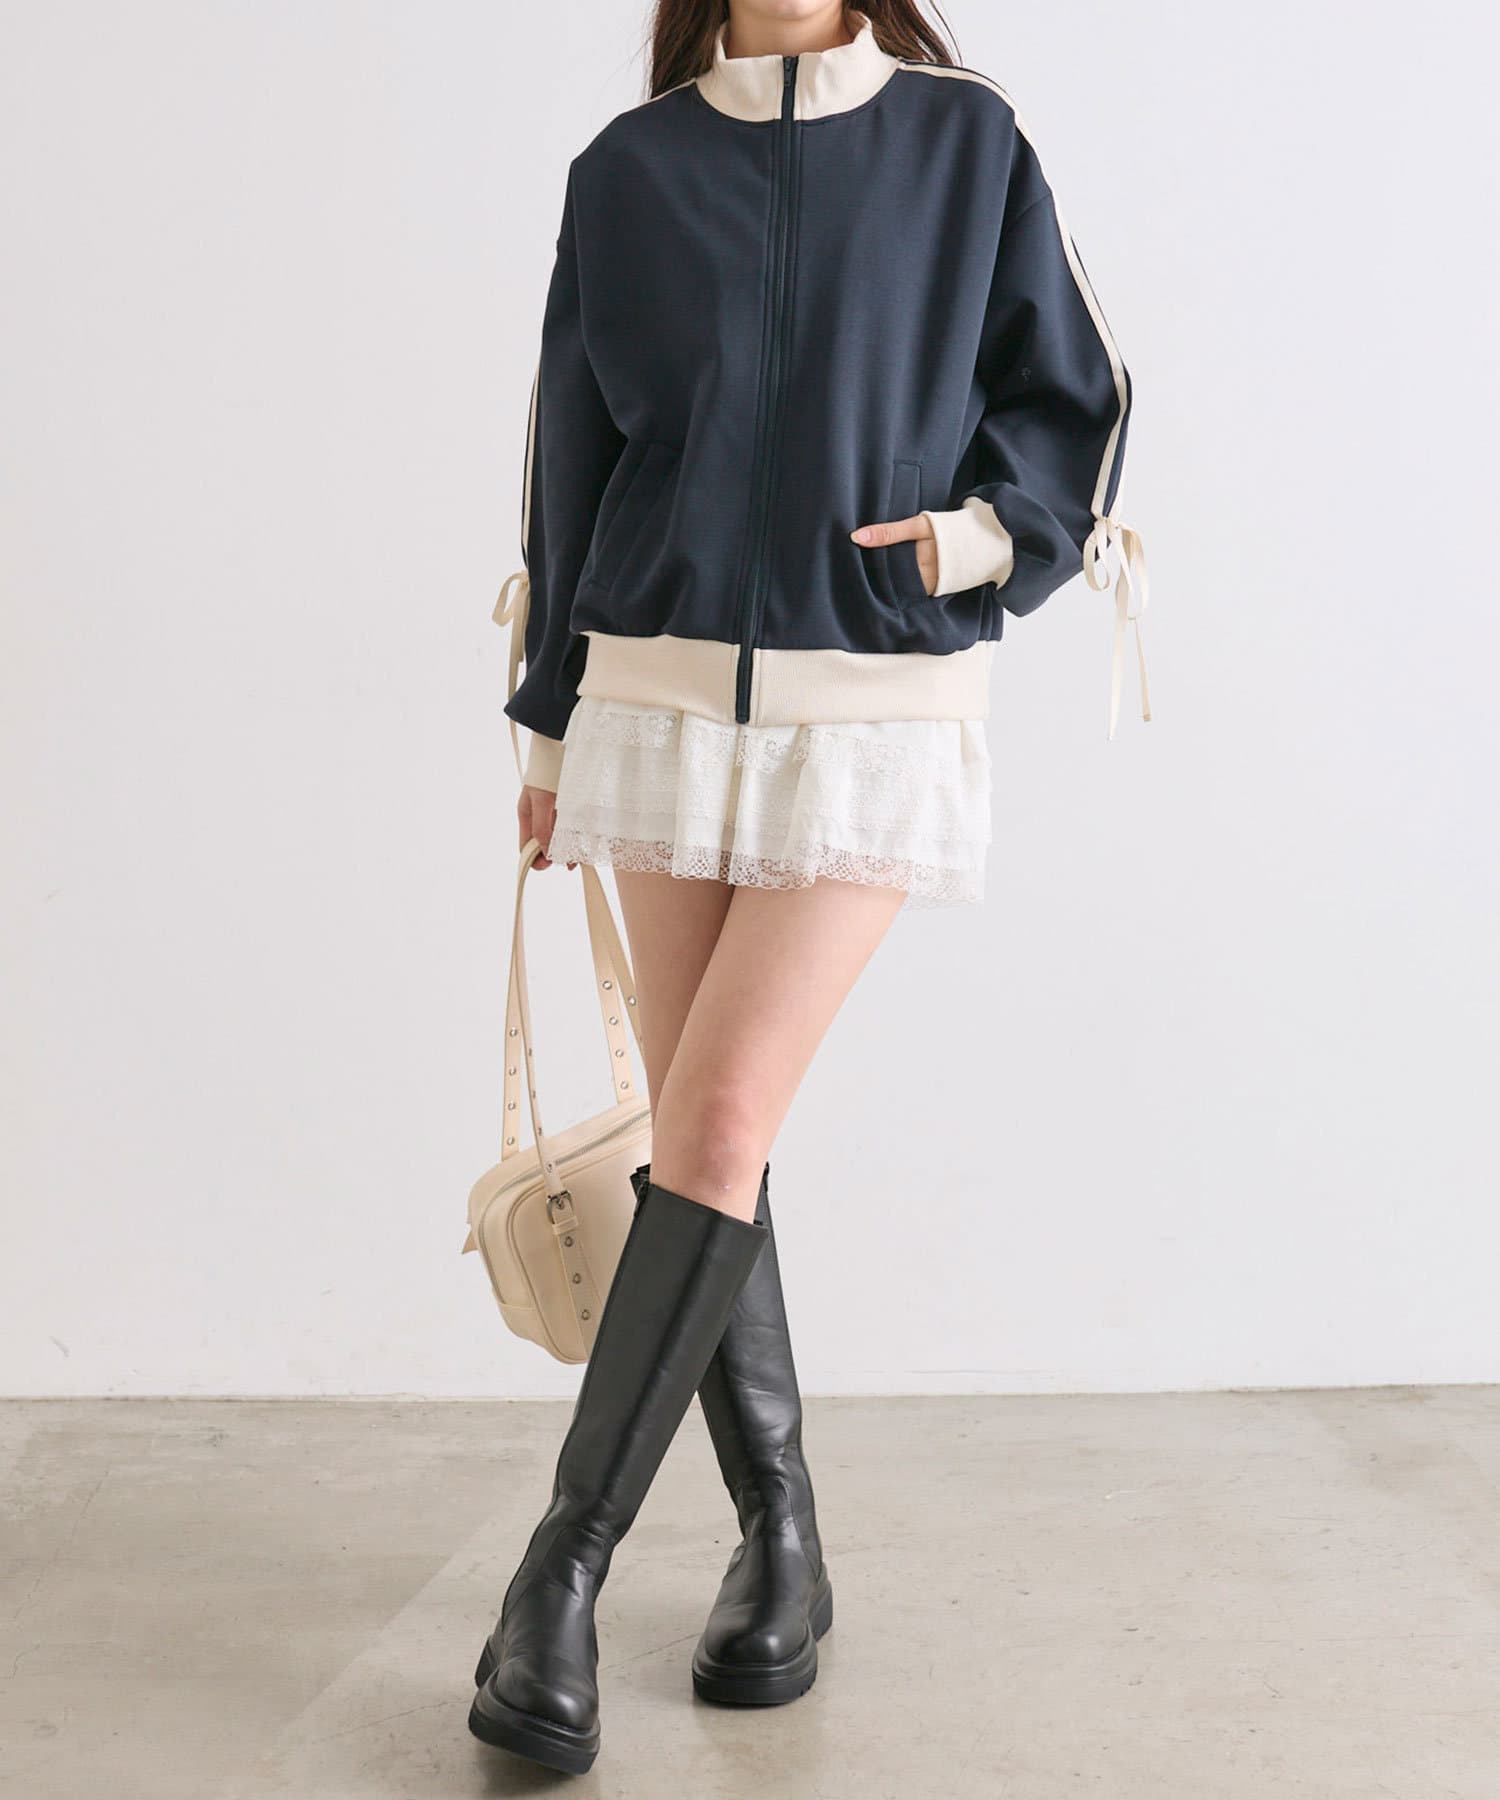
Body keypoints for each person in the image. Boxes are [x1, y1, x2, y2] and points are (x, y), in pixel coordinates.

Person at [470, 0, 1147, 1773]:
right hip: (653, 702)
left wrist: (986, 539)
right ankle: (783, 1535)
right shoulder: (628, 172)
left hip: (870, 703)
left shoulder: (962, 140)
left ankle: (560, 1572)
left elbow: (1078, 398)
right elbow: (569, 461)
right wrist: (548, 731)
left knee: (710, 1128)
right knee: (720, 1142)